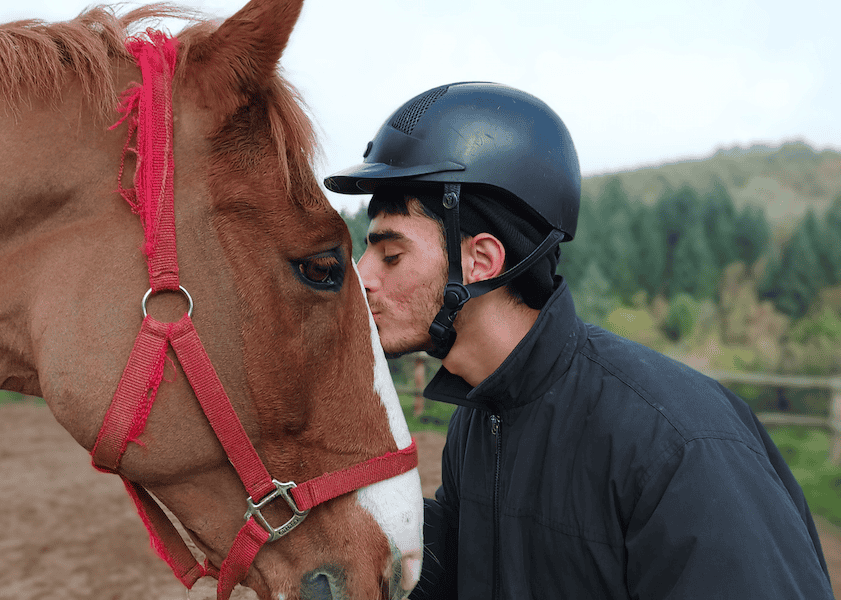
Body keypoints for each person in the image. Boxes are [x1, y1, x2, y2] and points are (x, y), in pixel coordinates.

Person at [325, 82, 834, 599]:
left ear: (481, 260)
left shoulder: (678, 446)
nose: (361, 277)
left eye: (391, 255)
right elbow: (466, 574)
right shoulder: (479, 422)